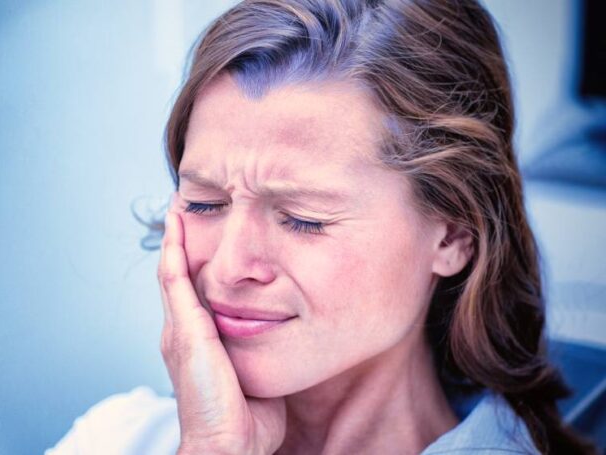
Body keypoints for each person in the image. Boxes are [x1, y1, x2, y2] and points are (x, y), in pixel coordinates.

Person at [48, 0, 598, 454]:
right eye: (205, 203)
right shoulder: (116, 438)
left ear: (454, 234)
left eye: (303, 219)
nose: (230, 267)